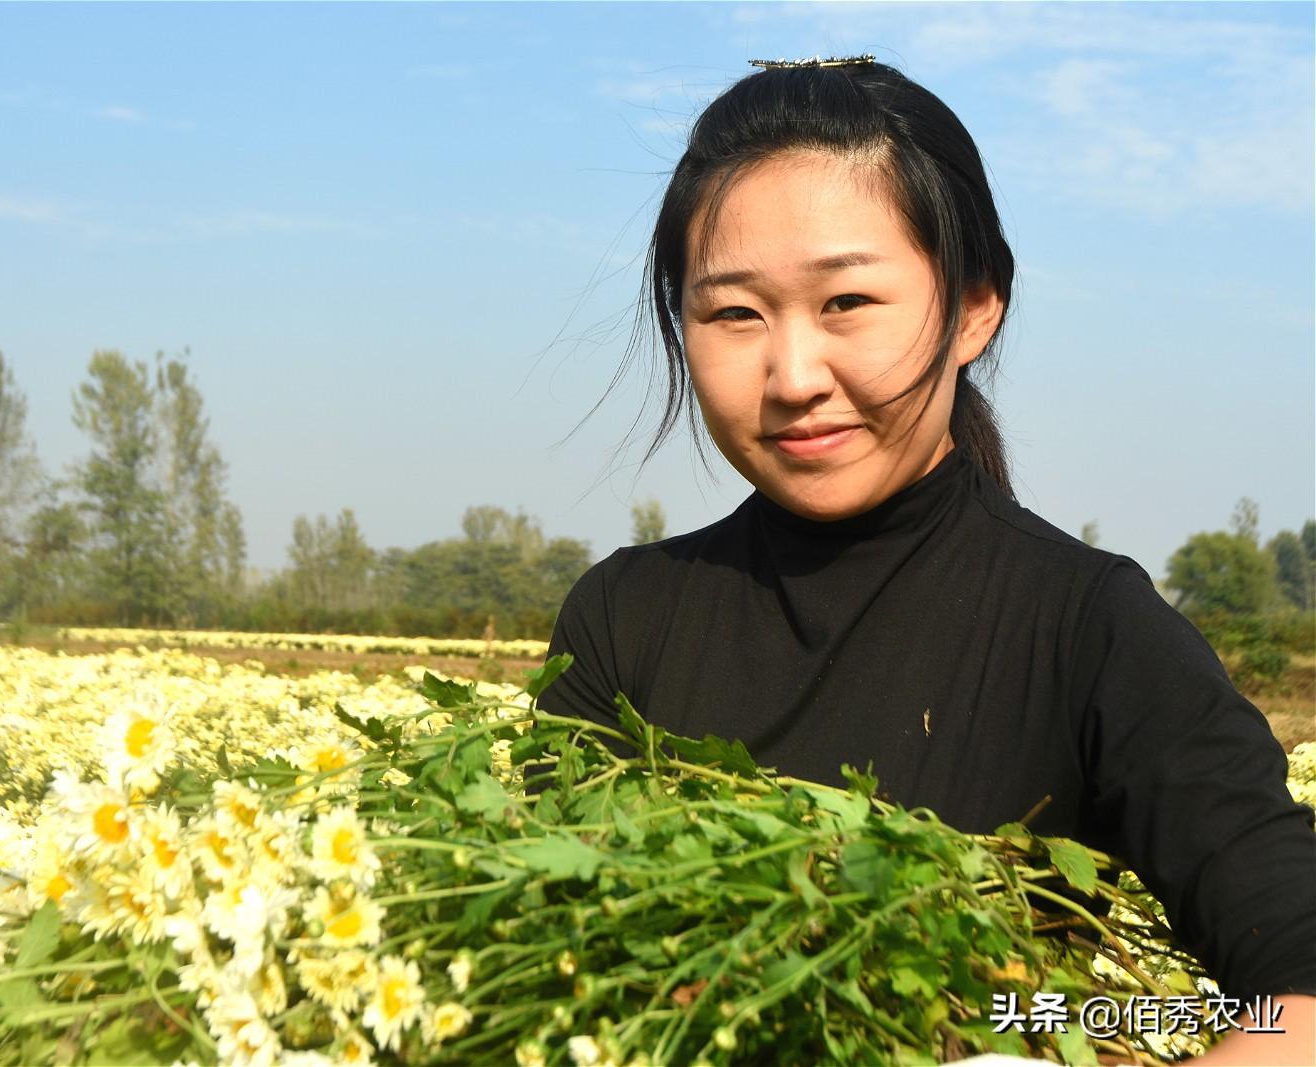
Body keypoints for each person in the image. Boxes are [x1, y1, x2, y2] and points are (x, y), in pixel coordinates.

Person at [537, 57, 1315, 1065]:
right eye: (734, 313)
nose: (793, 375)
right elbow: (546, 957)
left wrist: (1036, 1033)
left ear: (974, 307)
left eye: (848, 302)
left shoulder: (1086, 627)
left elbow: (1292, 1003)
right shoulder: (625, 621)